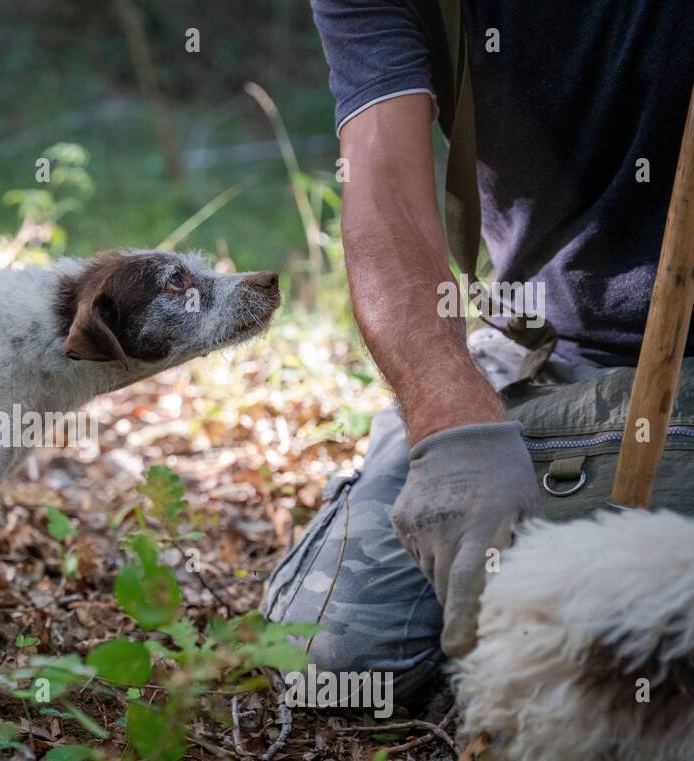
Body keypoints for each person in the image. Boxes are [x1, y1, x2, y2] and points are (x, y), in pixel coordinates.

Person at [265, 1, 694, 702]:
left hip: (685, 372)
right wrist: (452, 425)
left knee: (638, 663)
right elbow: (383, 182)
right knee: (337, 663)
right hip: (539, 355)